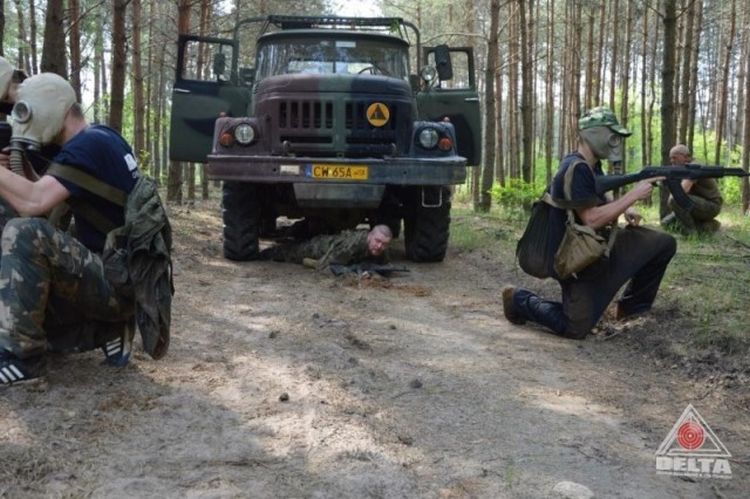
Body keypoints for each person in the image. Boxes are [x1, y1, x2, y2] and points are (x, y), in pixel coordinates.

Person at [0, 73, 141, 385]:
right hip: (121, 276)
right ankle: (106, 329)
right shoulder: (100, 136)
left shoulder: (87, 146)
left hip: (118, 284)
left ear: (50, 108)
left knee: (23, 233)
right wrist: (21, 170)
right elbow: (47, 201)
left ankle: (24, 360)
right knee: (21, 249)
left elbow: (33, 205)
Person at [502, 107, 677, 339]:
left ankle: (629, 309)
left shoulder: (590, 164)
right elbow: (591, 219)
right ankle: (518, 300)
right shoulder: (575, 168)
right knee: (575, 327)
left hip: (595, 246)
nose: (615, 142)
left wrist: (625, 207)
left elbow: (598, 190)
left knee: (663, 243)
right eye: (611, 135)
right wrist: (632, 196)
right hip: (573, 258)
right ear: (594, 133)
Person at [260, 224, 392, 270]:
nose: (379, 246)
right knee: (288, 252)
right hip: (318, 248)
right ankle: (261, 254)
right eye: (377, 241)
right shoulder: (352, 246)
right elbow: (326, 266)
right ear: (370, 236)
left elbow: (386, 266)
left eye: (384, 244)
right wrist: (357, 271)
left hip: (330, 244)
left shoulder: (381, 248)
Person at [660, 144, 723, 233]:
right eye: (671, 158)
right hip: (696, 204)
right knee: (666, 224)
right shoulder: (682, 169)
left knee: (676, 199)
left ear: (685, 157)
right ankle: (708, 226)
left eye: (674, 157)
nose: (671, 161)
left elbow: (682, 191)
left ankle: (690, 233)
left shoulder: (694, 167)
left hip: (712, 205)